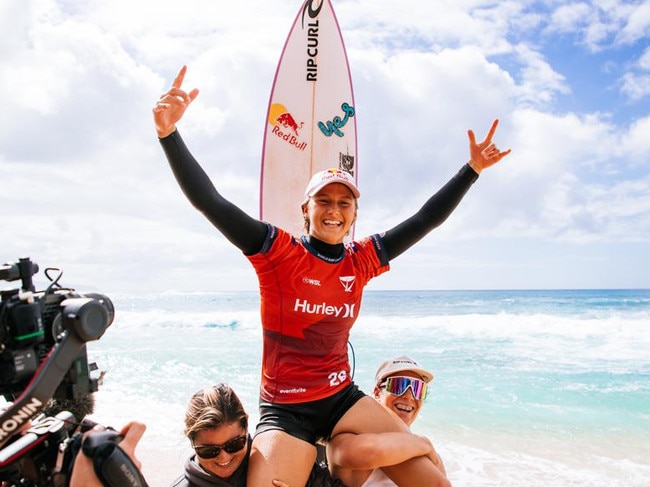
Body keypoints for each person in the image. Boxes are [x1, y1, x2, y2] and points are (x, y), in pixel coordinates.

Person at [153, 65, 511, 487]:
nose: (334, 210)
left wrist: (471, 170)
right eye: (323, 200)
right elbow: (210, 201)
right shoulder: (277, 253)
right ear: (306, 210)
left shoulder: (362, 259)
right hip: (286, 410)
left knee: (429, 478)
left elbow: (426, 219)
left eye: (345, 202)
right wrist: (168, 134)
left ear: (354, 214)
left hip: (343, 398)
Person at [170, 384, 344, 487]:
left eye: (234, 444)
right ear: (192, 441)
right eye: (209, 450)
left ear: (246, 426)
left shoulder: (278, 461)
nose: (224, 457)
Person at [327, 356, 446, 486]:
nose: (409, 396)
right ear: (377, 393)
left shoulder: (422, 450)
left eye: (418, 389)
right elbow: (372, 452)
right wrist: (425, 444)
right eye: (399, 385)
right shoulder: (346, 439)